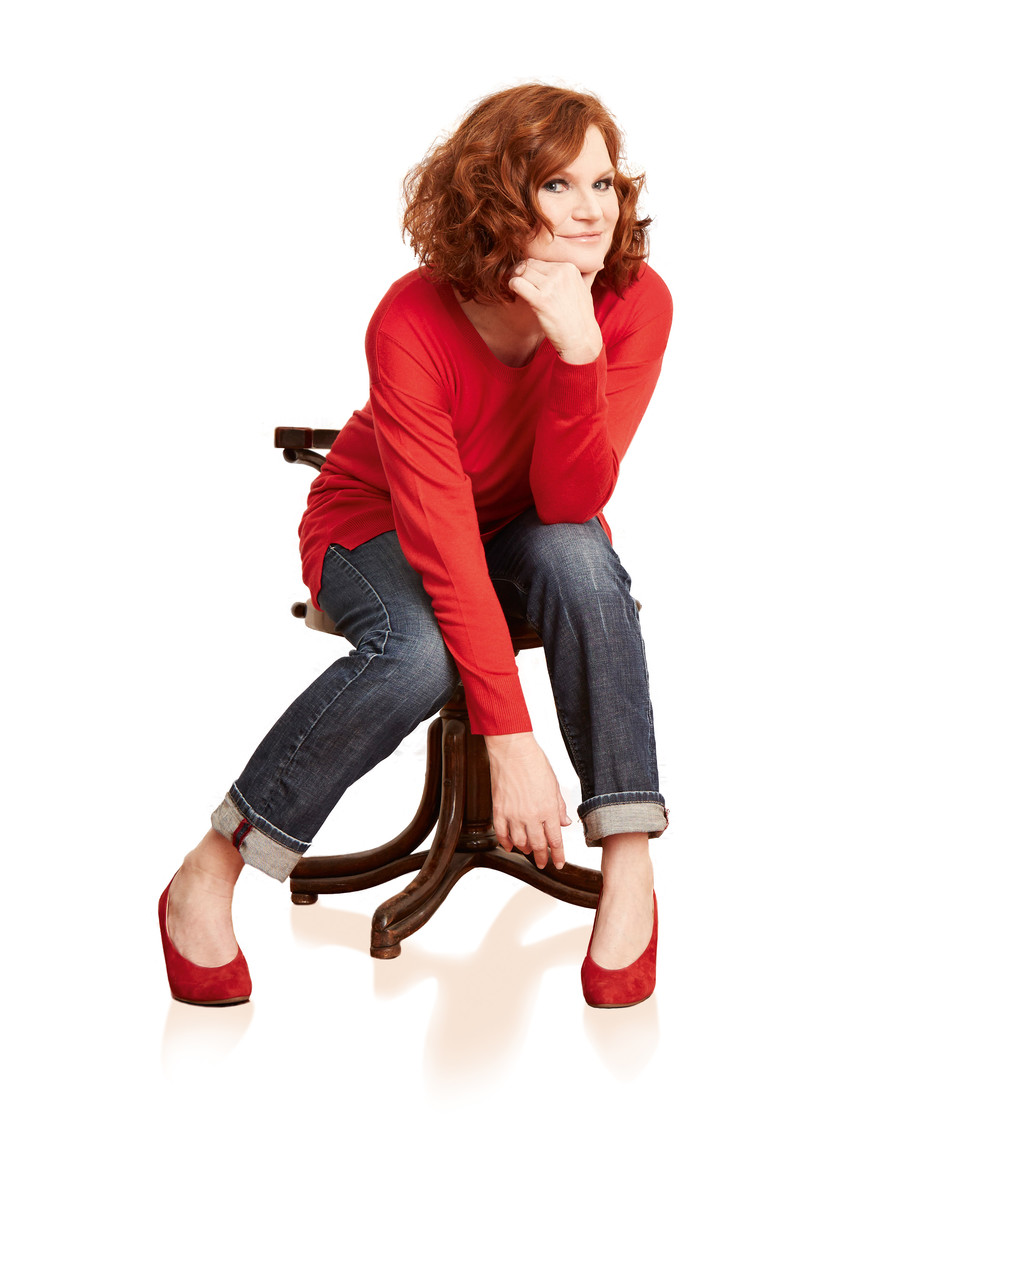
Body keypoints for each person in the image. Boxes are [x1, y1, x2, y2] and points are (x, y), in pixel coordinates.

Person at [158, 83, 673, 1009]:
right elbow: (443, 540)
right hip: (377, 519)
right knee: (416, 653)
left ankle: (629, 860)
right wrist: (511, 737)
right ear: (499, 194)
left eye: (603, 182)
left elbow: (570, 500)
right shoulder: (411, 319)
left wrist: (577, 353)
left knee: (580, 555)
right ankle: (213, 863)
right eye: (558, 185)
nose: (594, 210)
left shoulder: (634, 302)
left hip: (525, 519)